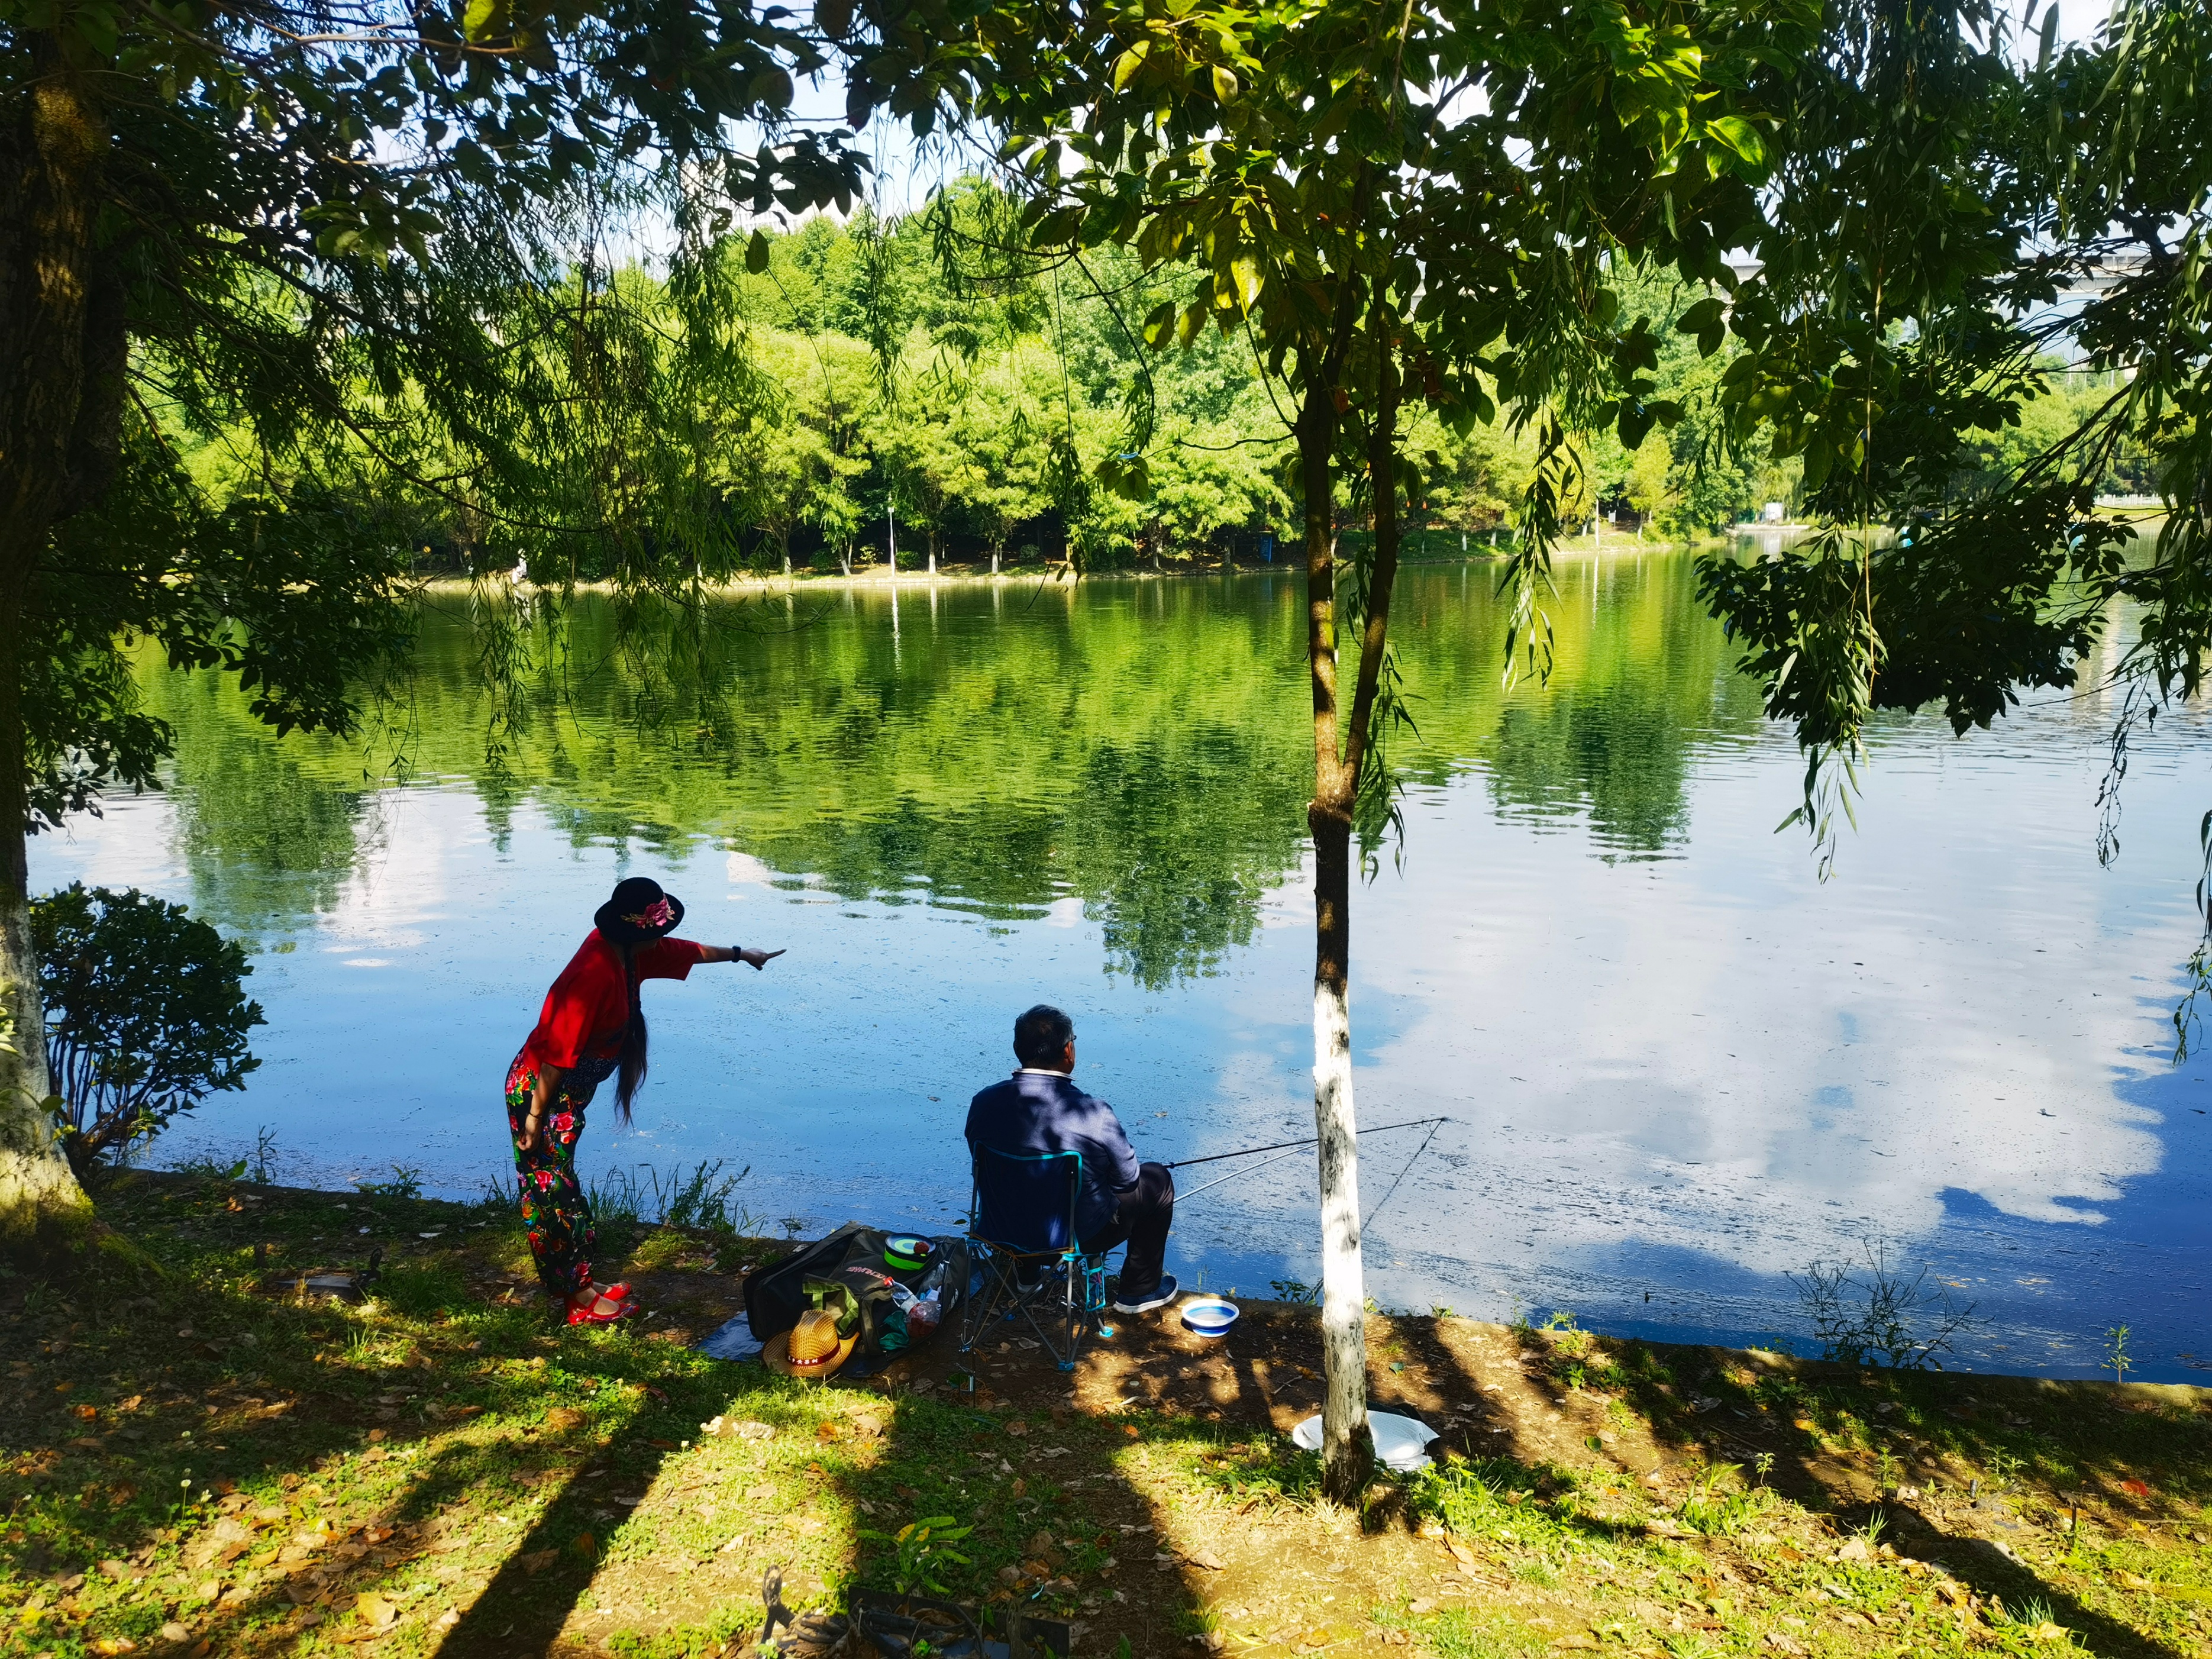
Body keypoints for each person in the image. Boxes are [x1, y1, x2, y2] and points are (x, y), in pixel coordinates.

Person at [506, 876, 782, 1324]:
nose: (664, 937)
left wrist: (741, 954)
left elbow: (686, 951)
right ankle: (576, 1298)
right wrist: (535, 1118)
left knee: (562, 1183)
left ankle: (582, 1281)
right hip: (541, 1091)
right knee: (552, 1191)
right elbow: (555, 1057)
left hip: (566, 1094)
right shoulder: (592, 974)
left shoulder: (628, 952)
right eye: (659, 929)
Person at [964, 1003, 1178, 1313]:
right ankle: (1138, 1291)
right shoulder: (1093, 1114)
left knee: (1018, 1177)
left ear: (1017, 1049)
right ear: (1068, 1051)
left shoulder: (983, 1102)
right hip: (1075, 1240)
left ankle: (1028, 1276)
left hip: (1001, 1230)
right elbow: (1128, 1180)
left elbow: (982, 1166)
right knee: (1157, 1179)